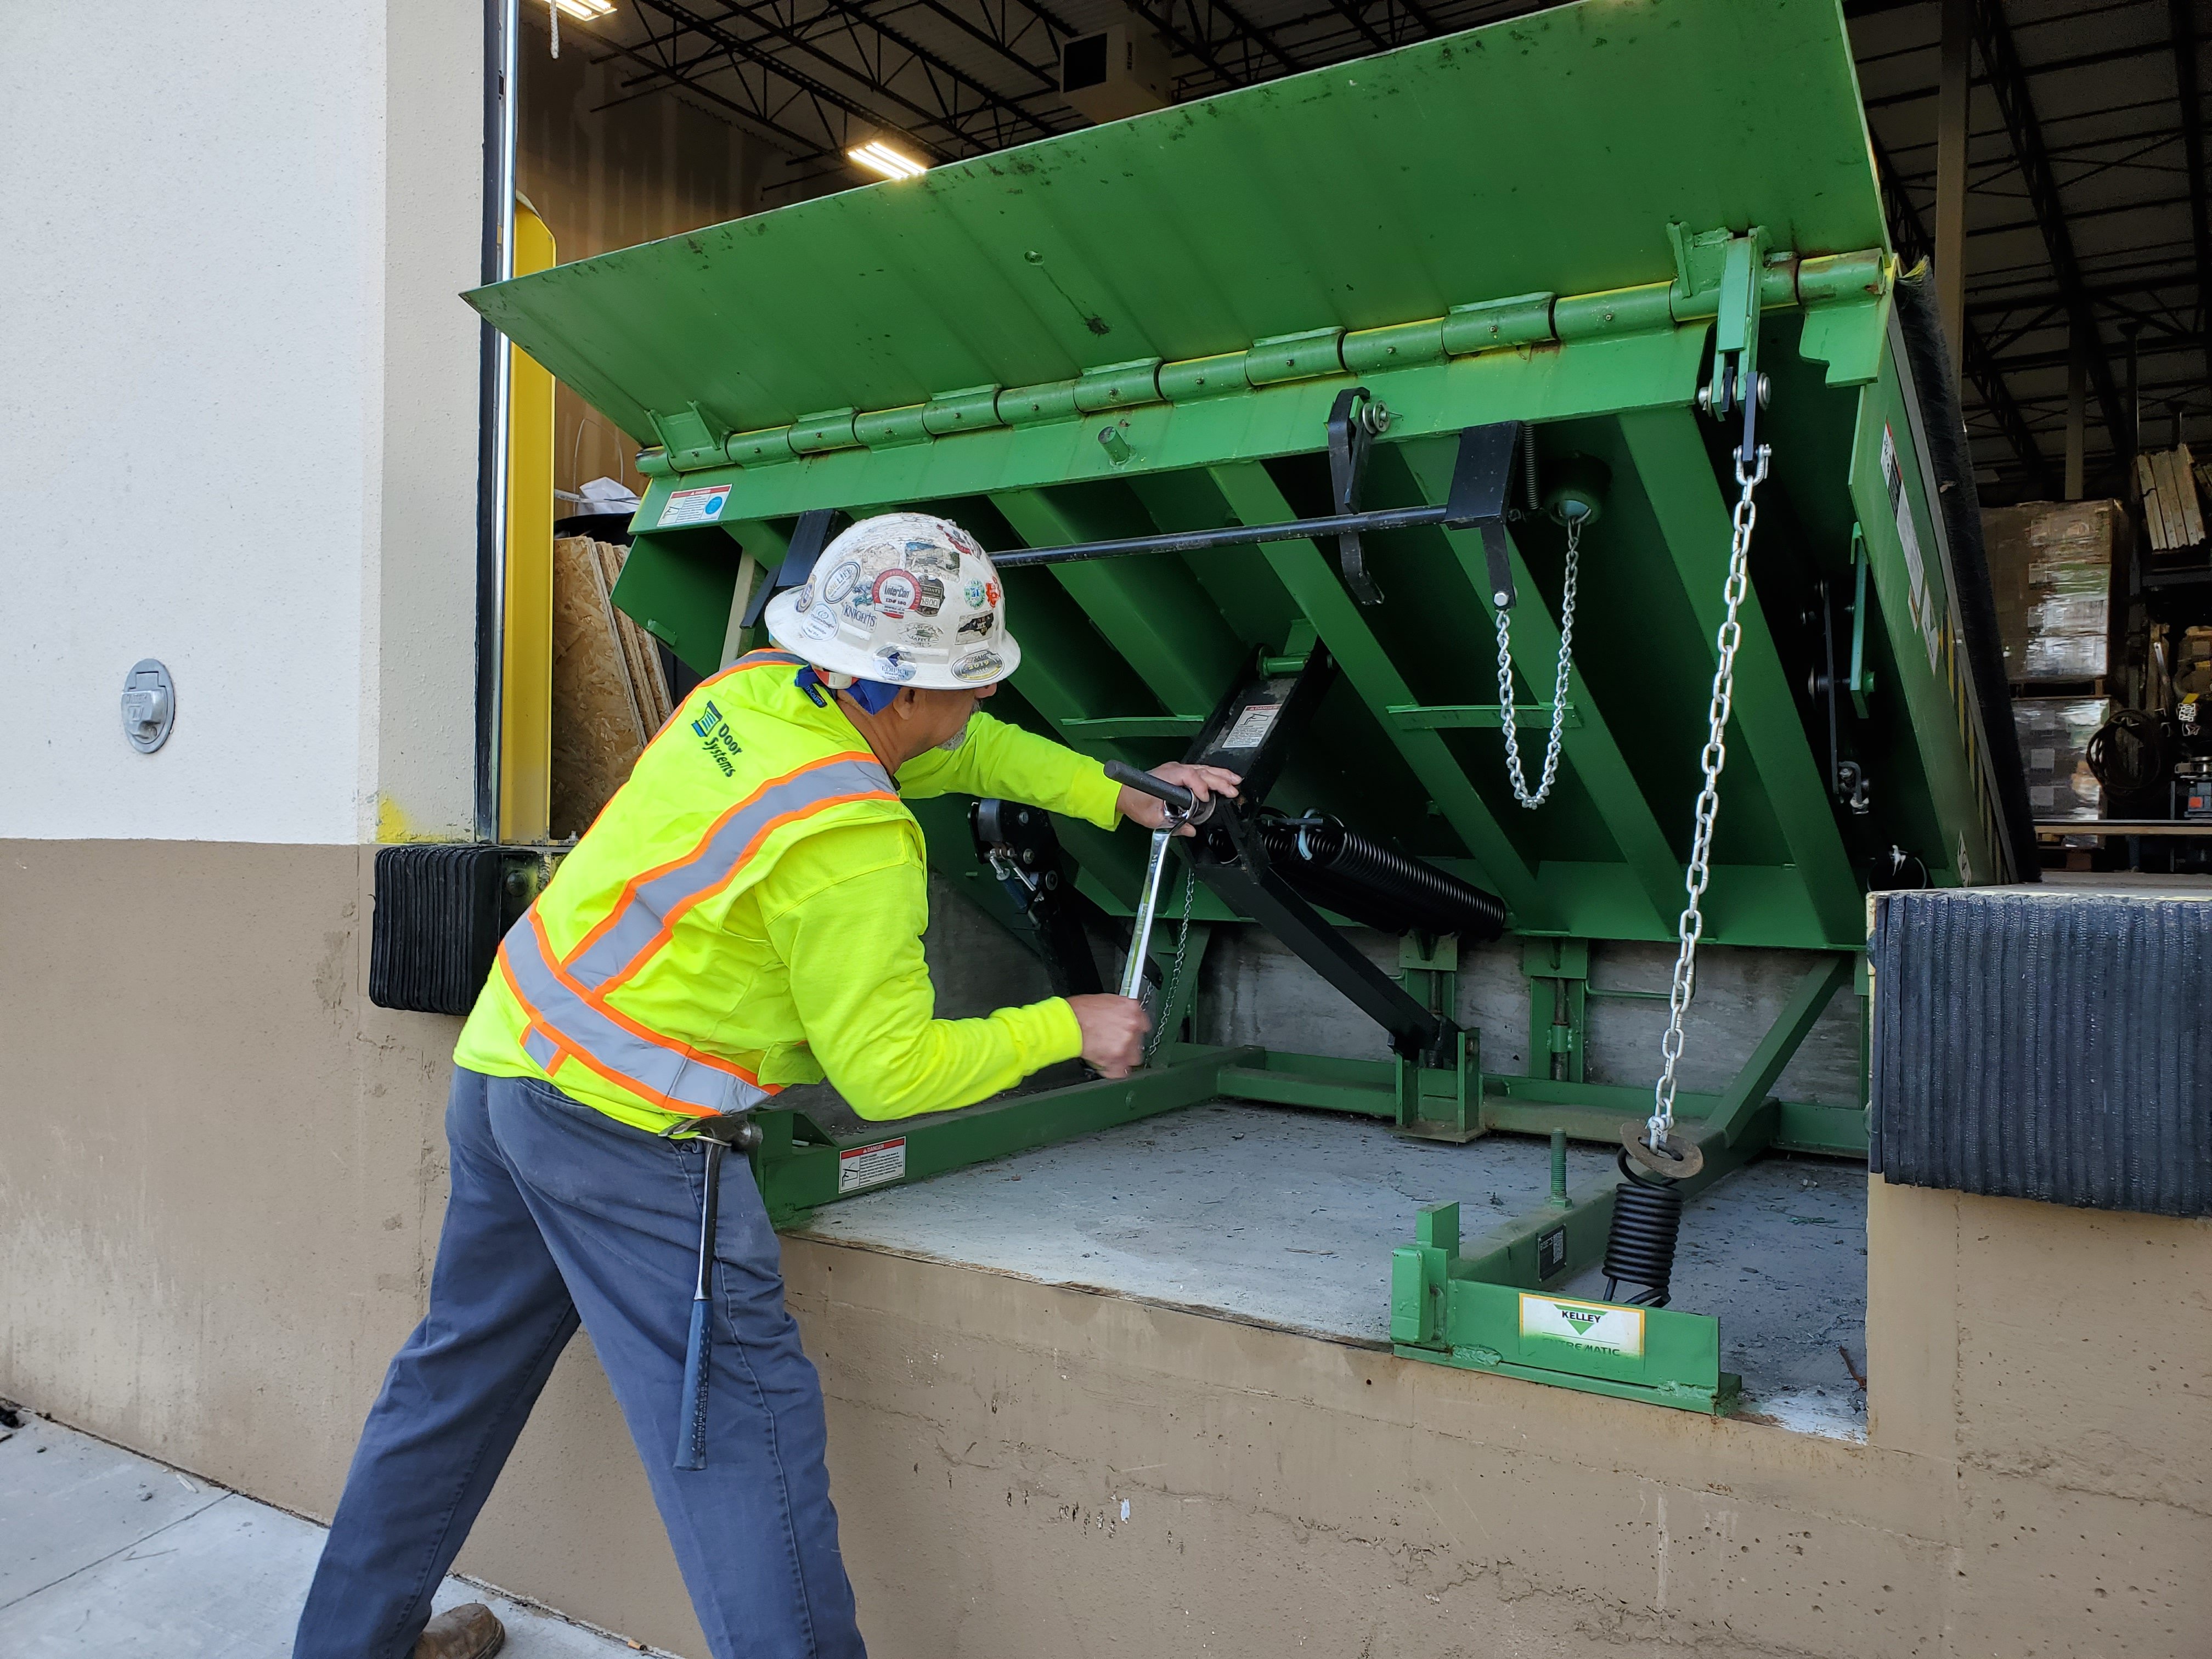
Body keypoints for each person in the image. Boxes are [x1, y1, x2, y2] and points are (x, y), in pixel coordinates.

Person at [294, 512, 1241, 1659]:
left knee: (451, 1383)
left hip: (511, 1063)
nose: (981, 704)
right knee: (745, 1447)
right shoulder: (853, 842)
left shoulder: (755, 694)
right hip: (627, 1134)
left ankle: (343, 1646)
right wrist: (1069, 1025)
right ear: (893, 688)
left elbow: (954, 752)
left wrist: (1114, 793)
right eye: (970, 684)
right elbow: (890, 1073)